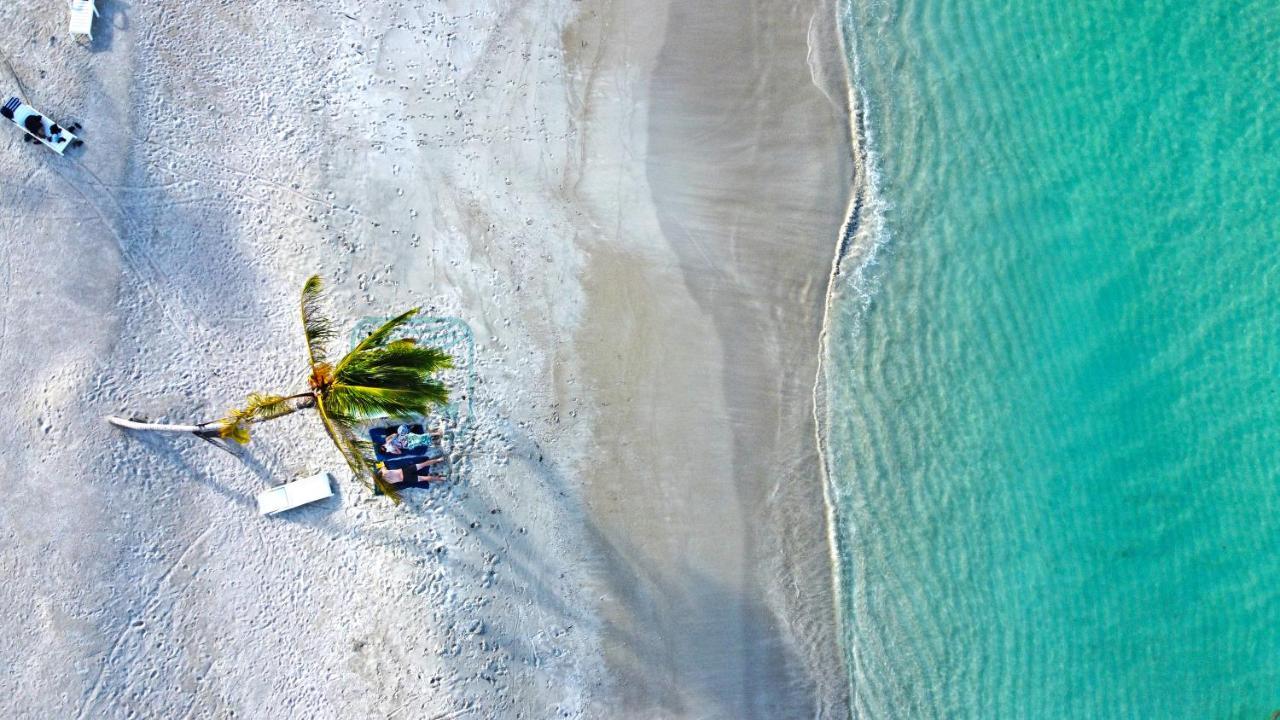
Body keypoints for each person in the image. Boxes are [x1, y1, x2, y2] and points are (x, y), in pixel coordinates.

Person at [380, 456, 447, 485]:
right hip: (405, 471)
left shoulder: (388, 482)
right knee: (423, 464)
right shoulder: (385, 472)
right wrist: (380, 467)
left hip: (406, 478)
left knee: (425, 478)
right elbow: (382, 465)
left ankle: (441, 478)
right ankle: (439, 459)